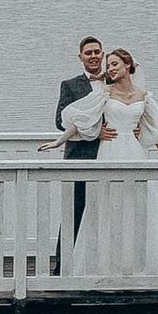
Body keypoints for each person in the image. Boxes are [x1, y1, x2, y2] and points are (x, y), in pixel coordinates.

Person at [62, 47, 158, 281]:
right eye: (109, 65)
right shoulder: (104, 92)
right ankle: (105, 266)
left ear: (128, 65)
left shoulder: (144, 95)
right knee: (107, 206)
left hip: (134, 153)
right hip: (110, 152)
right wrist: (58, 142)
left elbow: (153, 129)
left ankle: (142, 264)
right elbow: (82, 119)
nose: (110, 68)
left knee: (139, 207)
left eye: (115, 64)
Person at [45, 33, 109, 276]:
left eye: (97, 52)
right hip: (80, 156)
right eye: (88, 53)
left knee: (108, 209)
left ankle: (98, 262)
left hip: (109, 155)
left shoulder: (114, 81)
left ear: (103, 54)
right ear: (80, 57)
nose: (93, 56)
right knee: (75, 209)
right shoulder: (70, 85)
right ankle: (63, 265)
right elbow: (60, 122)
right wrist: (93, 131)